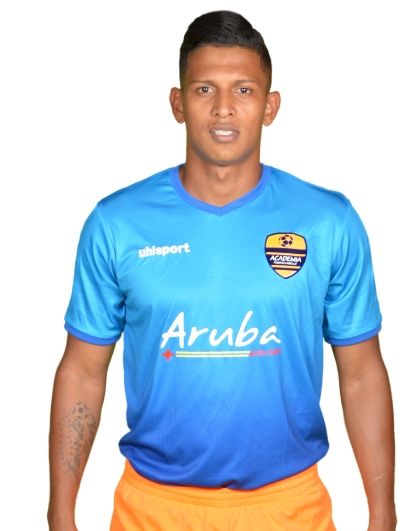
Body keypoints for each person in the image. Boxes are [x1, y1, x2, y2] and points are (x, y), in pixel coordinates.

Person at [47, 9, 397, 531]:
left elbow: (363, 372)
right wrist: (60, 513)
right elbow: (81, 371)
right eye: (205, 89)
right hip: (151, 509)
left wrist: (383, 513)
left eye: (244, 90)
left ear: (271, 107)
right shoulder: (115, 223)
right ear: (177, 104)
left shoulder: (329, 220)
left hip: (291, 508)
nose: (224, 108)